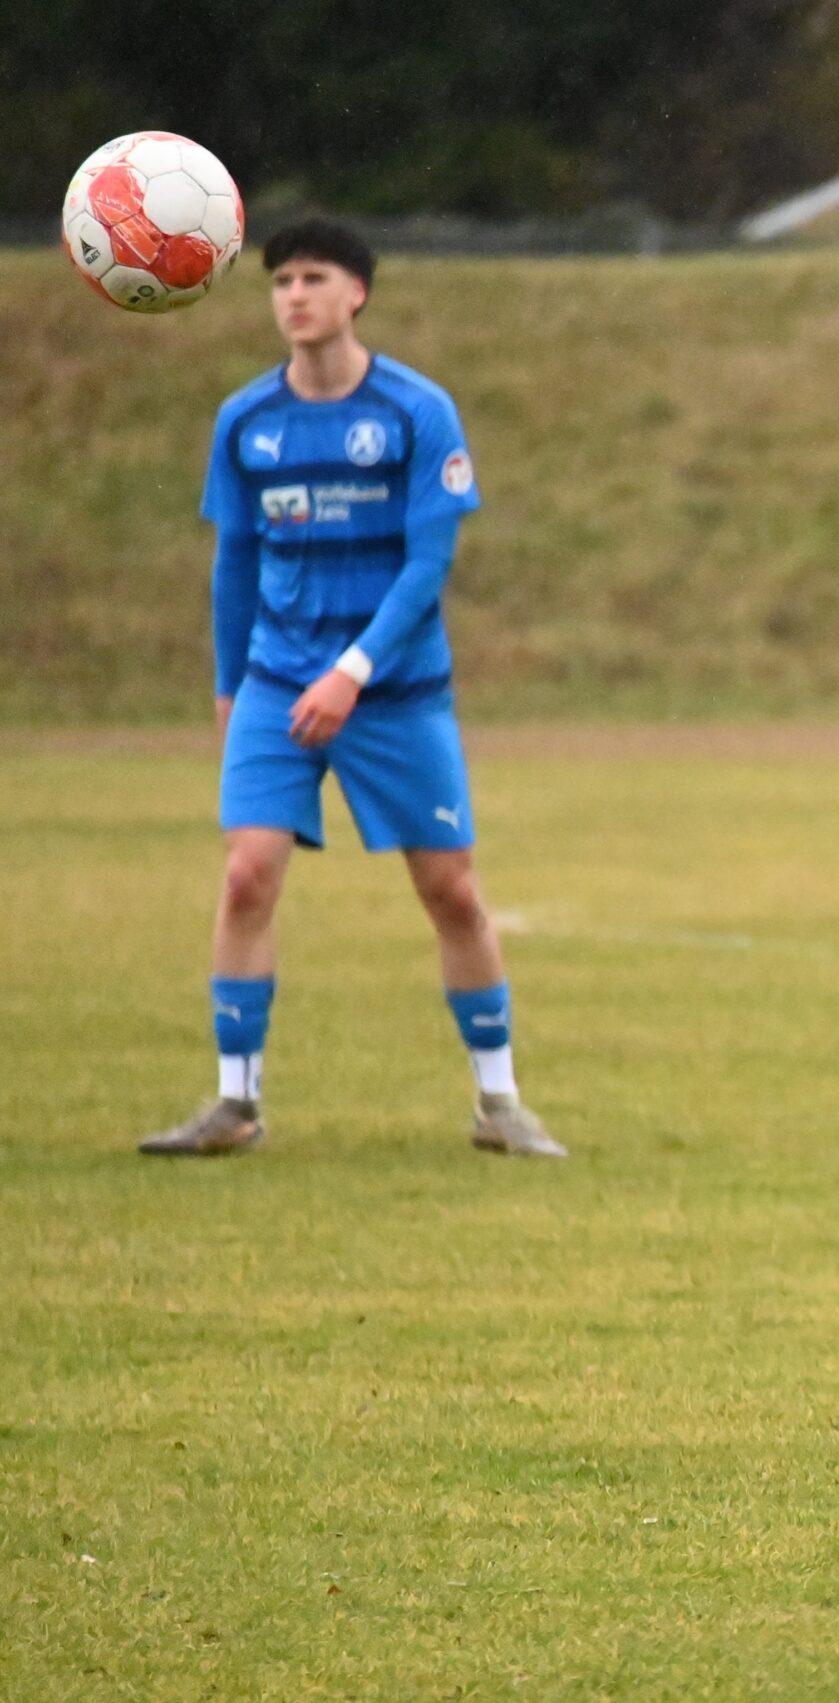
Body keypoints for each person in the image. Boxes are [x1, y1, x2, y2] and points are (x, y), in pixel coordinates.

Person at [138, 218, 563, 1159]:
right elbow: (235, 563)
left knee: (451, 891)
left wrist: (352, 672)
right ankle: (235, 1102)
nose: (294, 295)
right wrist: (228, 684)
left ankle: (499, 1102)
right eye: (280, 281)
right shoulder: (247, 421)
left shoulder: (417, 411)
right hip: (278, 683)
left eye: (313, 277)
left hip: (396, 692)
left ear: (356, 293)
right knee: (247, 875)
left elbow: (428, 565)